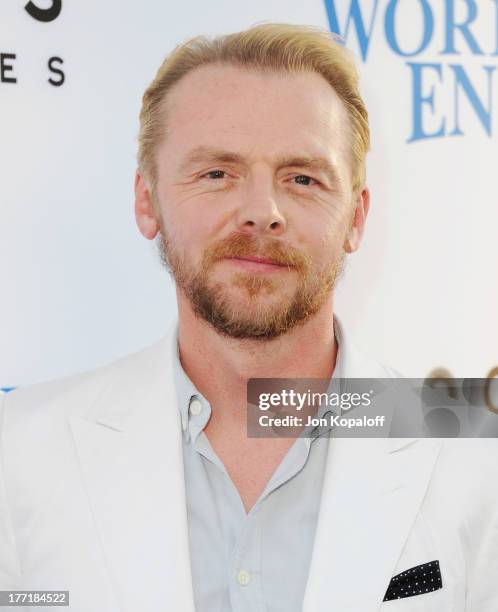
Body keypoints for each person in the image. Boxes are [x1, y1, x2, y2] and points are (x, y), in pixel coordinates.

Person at [0, 23, 497, 612]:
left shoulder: (477, 455)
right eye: (217, 173)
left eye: (303, 179)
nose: (262, 212)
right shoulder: (19, 450)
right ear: (147, 200)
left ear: (357, 218)